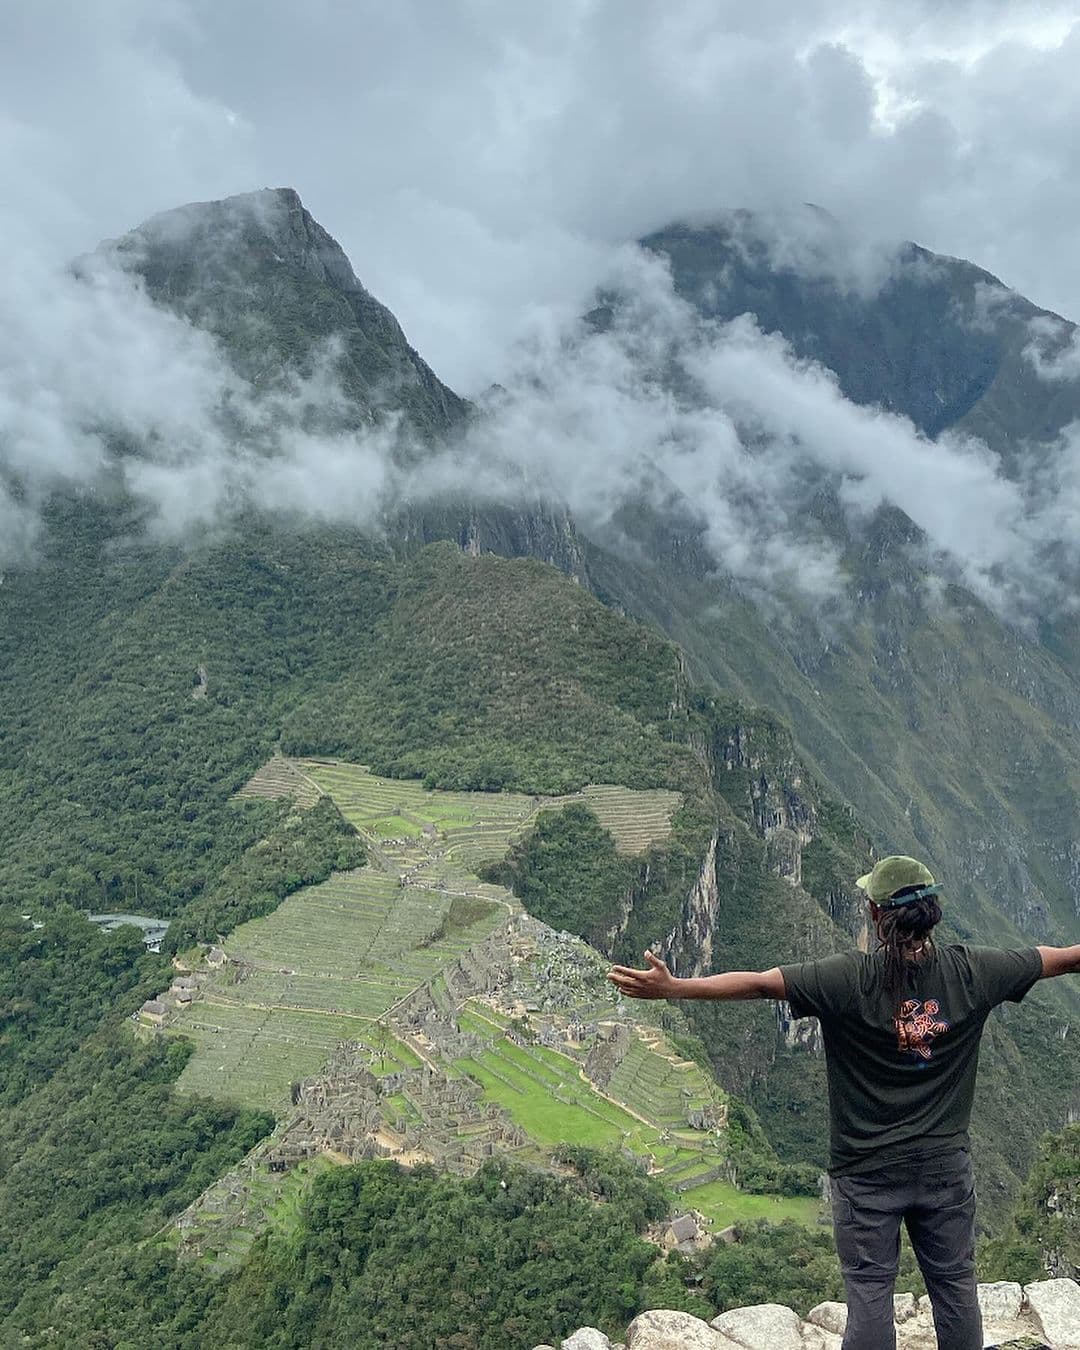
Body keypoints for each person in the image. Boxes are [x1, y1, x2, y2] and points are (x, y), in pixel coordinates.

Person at [606, 854, 1078, 1350]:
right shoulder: (975, 971)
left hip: (866, 1173)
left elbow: (761, 983)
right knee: (954, 1286)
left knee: (871, 1294)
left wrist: (674, 987)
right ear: (934, 911)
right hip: (943, 1169)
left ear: (876, 916)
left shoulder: (847, 979)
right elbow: (1063, 957)